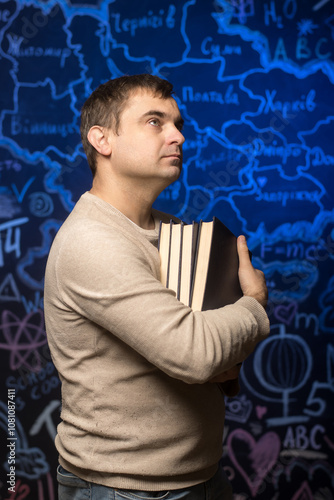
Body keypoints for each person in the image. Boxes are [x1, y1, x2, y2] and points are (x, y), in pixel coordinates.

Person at [44, 74, 270, 500]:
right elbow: (196, 352)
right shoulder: (93, 242)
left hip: (201, 477)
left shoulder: (173, 231)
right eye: (155, 122)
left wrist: (219, 354)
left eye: (177, 123)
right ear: (102, 140)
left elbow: (220, 366)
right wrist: (255, 305)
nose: (178, 136)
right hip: (122, 490)